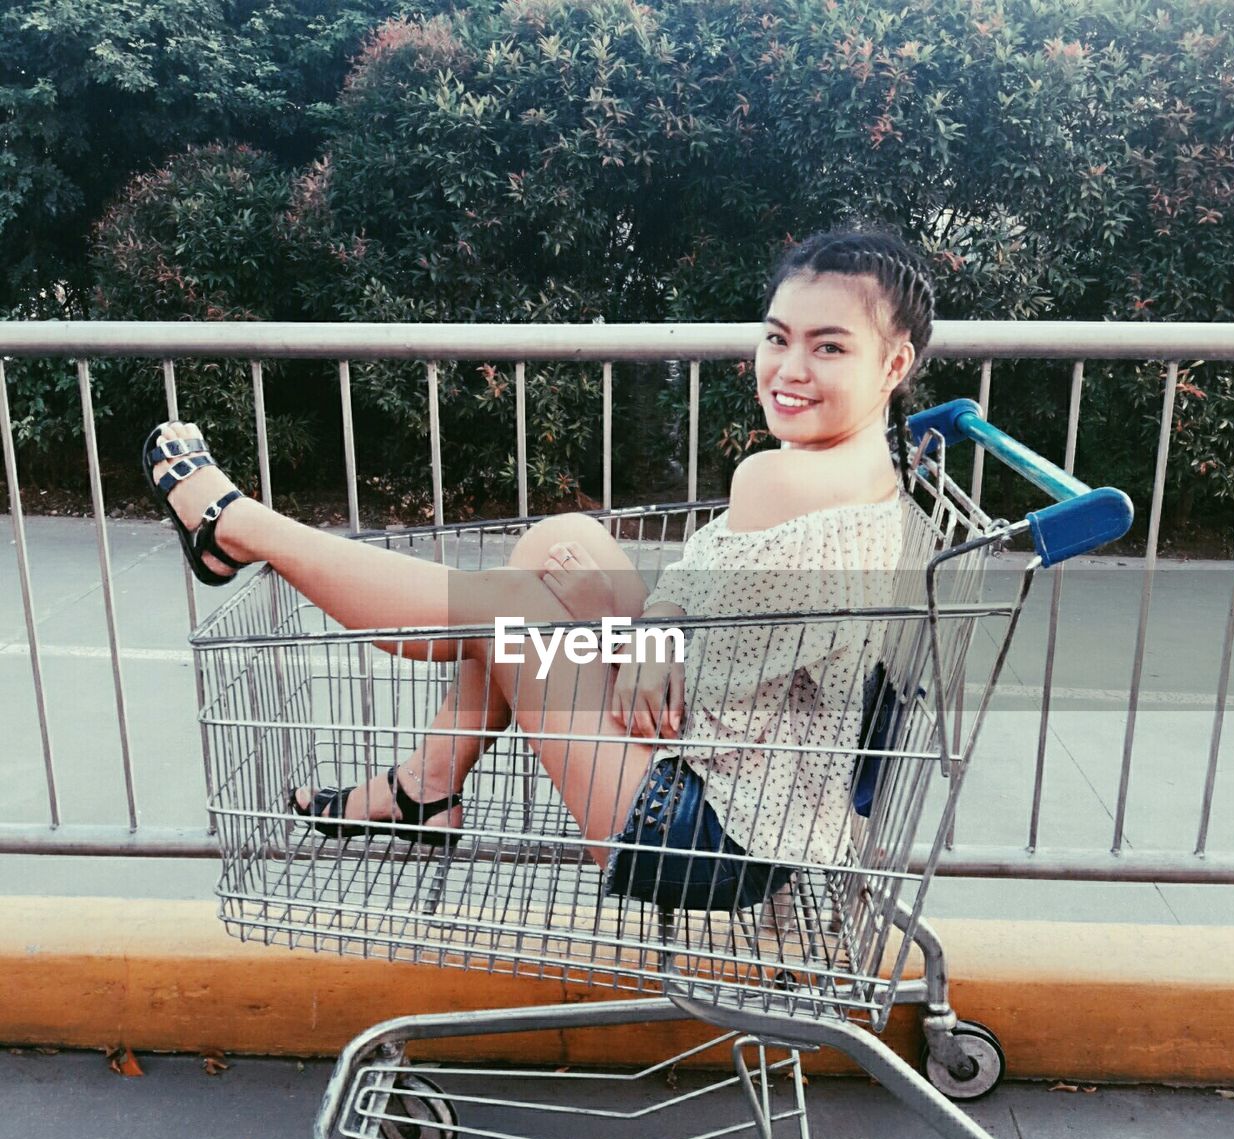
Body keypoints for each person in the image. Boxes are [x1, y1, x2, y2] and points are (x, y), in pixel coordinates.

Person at [144, 225, 934, 911]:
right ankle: (425, 789)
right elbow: (713, 643)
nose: (789, 368)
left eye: (829, 346)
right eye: (777, 336)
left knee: (503, 608)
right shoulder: (870, 482)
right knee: (562, 539)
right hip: (760, 790)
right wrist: (643, 628)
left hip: (705, 836)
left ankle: (240, 528)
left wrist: (625, 630)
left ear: (894, 364)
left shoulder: (779, 480)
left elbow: (693, 684)